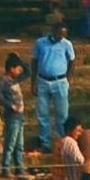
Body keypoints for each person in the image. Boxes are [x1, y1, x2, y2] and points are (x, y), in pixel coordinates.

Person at [30, 19, 76, 149]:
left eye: (63, 35)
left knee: (62, 114)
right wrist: (33, 81)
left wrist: (69, 78)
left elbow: (72, 61)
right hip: (43, 81)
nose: (61, 37)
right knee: (42, 114)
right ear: (53, 32)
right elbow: (34, 61)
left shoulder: (67, 44)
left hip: (60, 81)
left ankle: (62, 142)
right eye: (59, 34)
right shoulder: (40, 43)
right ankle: (45, 142)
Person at [0, 52, 30, 178]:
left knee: (19, 145)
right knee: (10, 144)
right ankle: (5, 168)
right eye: (17, 69)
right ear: (11, 69)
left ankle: (19, 168)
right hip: (12, 117)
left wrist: (19, 59)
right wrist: (10, 105)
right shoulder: (4, 81)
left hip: (20, 117)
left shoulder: (15, 80)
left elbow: (28, 71)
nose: (20, 71)